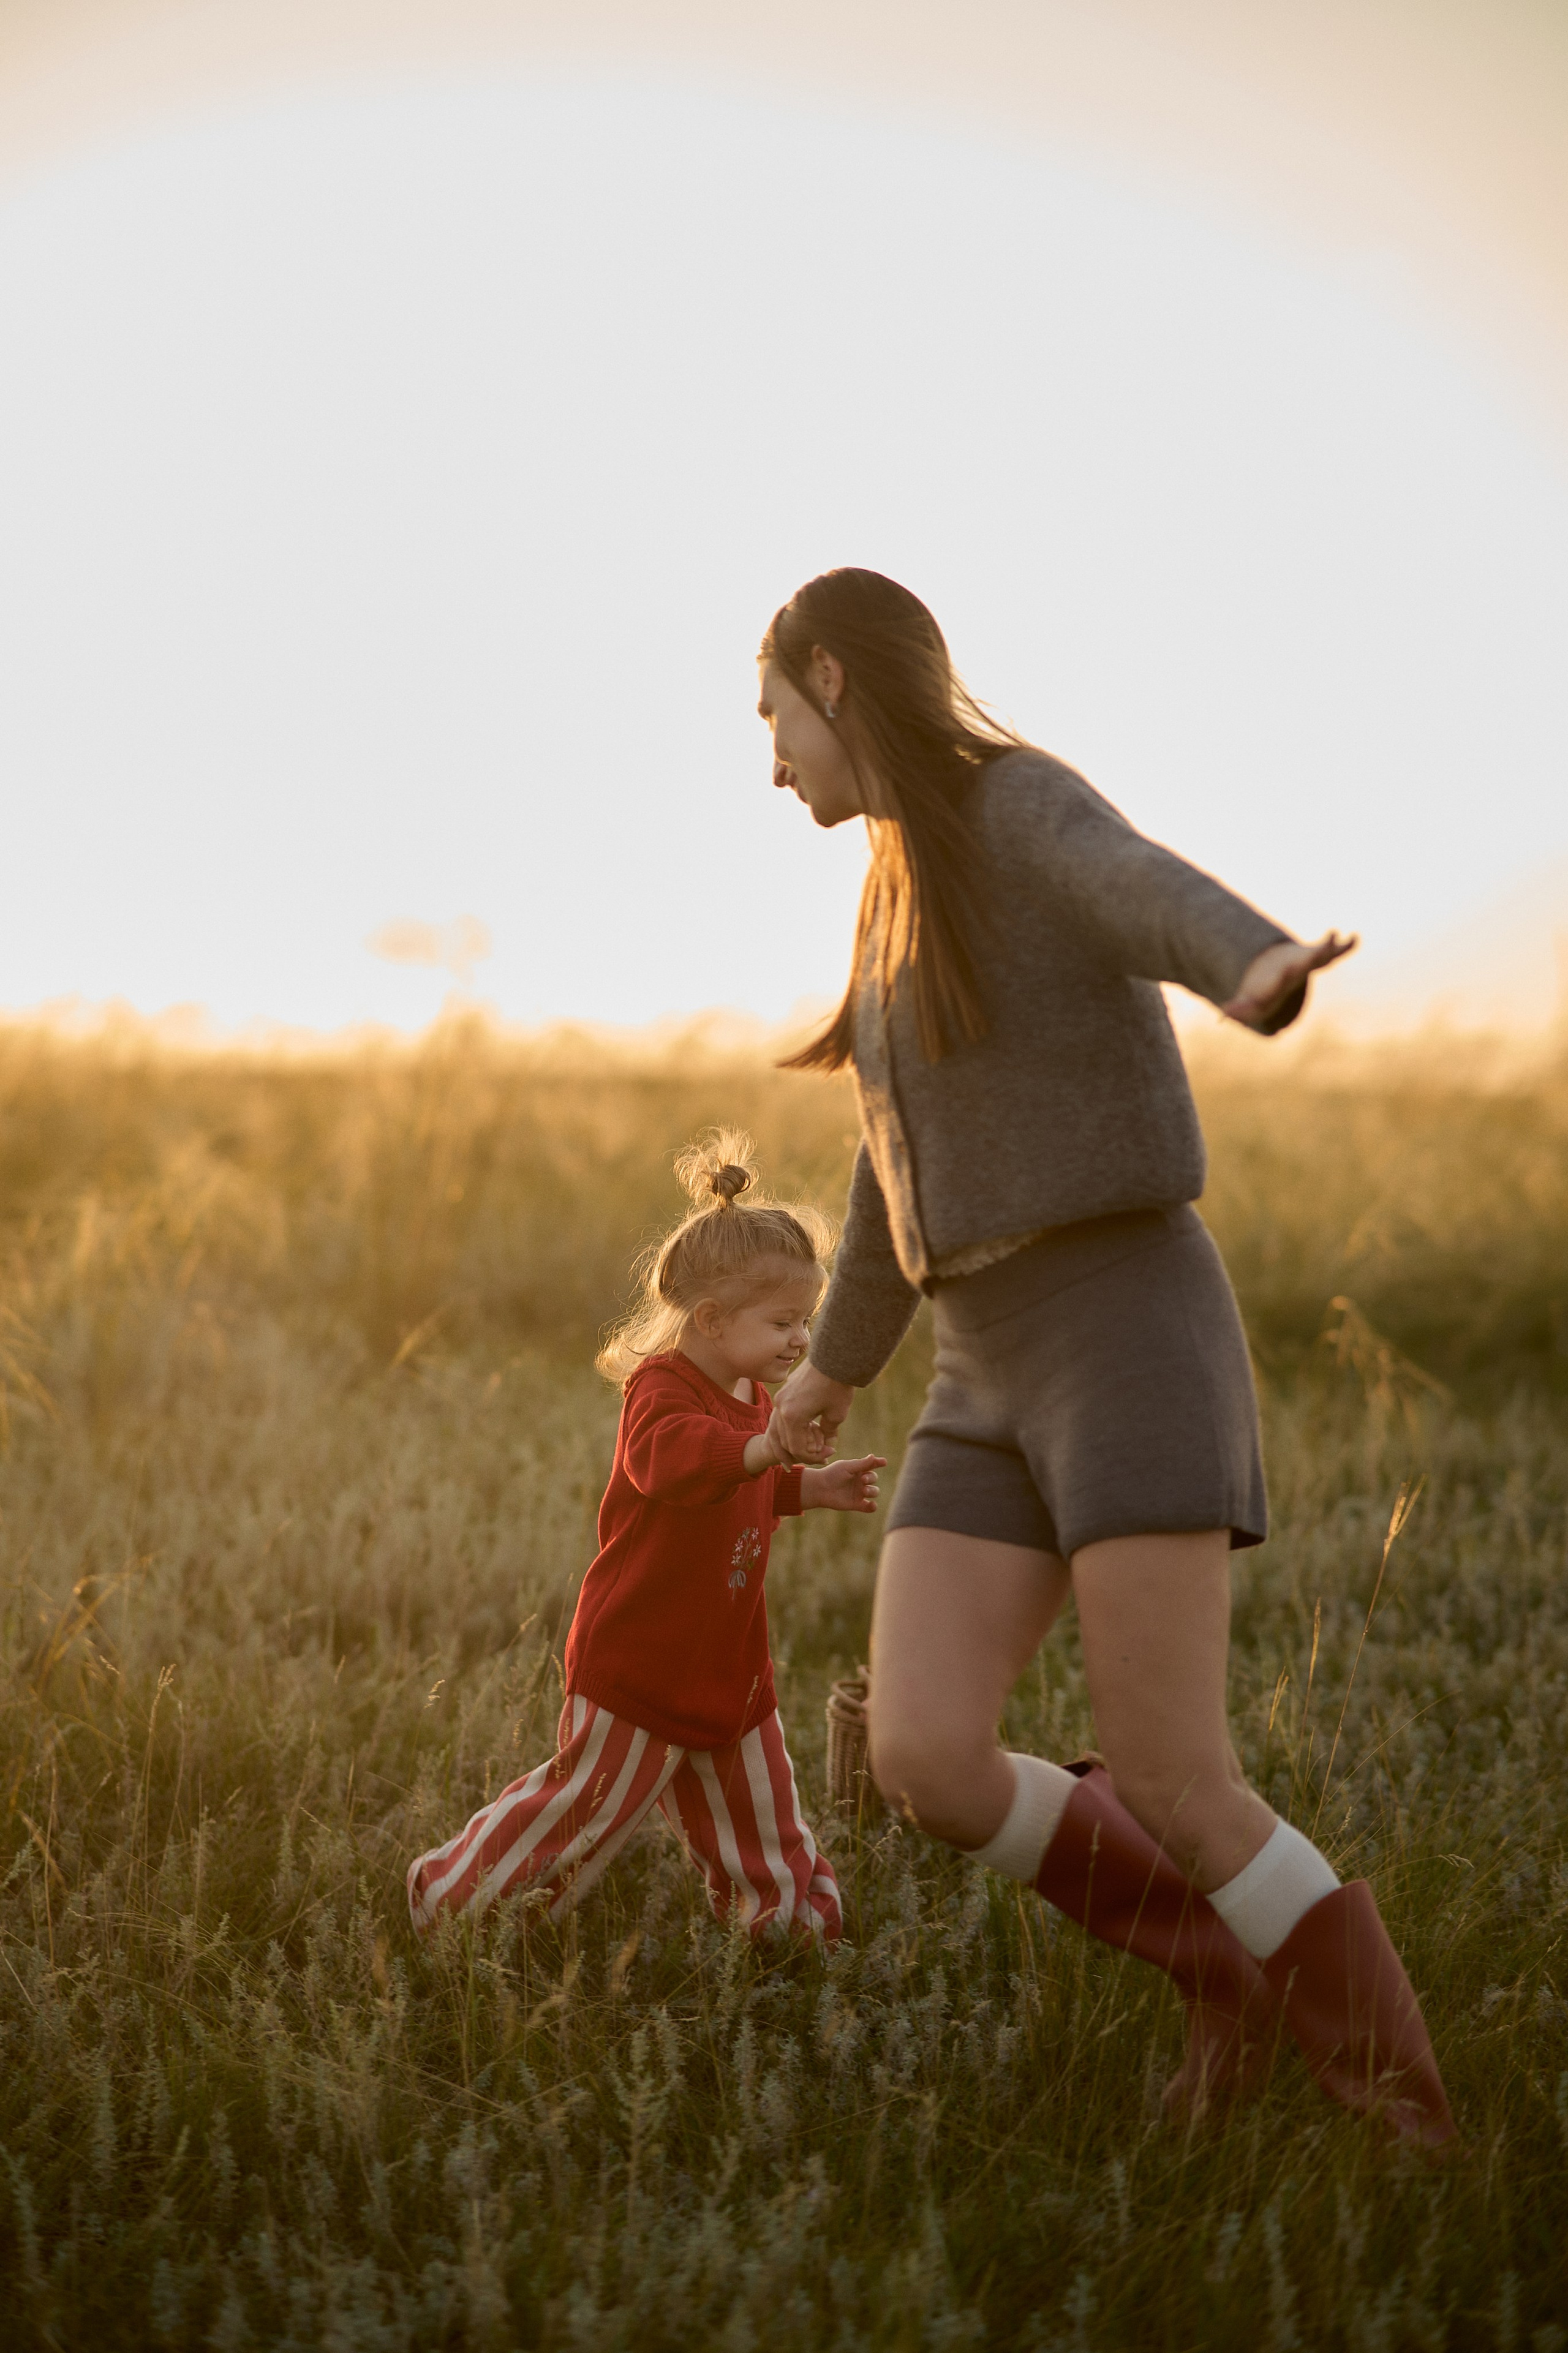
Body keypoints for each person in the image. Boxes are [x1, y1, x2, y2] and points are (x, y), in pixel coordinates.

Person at [758, 567, 1454, 2145]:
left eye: (773, 716)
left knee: (1173, 1776)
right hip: (975, 1371)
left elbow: (1130, 880)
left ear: (832, 680)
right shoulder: (889, 889)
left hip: (1122, 1326)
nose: (770, 756)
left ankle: (1401, 2112)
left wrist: (1250, 964)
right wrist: (833, 1369)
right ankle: (1227, 1970)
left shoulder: (1013, 809)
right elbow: (888, 1160)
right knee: (924, 1754)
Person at [407, 1132, 883, 1946]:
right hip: (641, 1662)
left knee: (765, 1818)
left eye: (806, 1318)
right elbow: (676, 1466)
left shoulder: (748, 1390)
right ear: (710, 1317)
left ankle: (794, 1936)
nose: (800, 1339)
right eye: (783, 1321)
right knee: (583, 1809)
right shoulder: (659, 1390)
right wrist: (769, 1451)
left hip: (729, 1662)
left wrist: (808, 1486)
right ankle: (457, 1903)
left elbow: (743, 1488)